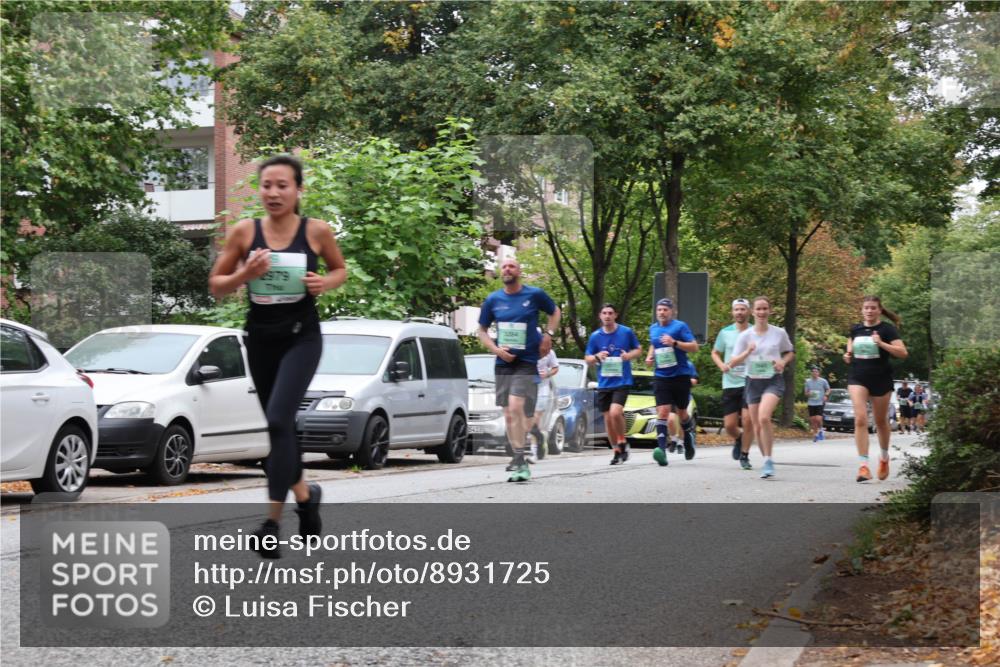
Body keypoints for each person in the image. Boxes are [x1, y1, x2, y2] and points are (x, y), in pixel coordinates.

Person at [208, 154, 347, 558]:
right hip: (261, 338)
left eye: (282, 185)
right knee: (279, 430)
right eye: (267, 185)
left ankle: (271, 523)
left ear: (298, 190)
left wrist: (325, 282)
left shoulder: (316, 231)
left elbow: (340, 270)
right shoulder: (244, 232)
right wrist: (244, 277)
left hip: (302, 338)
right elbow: (217, 285)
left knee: (277, 420)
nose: (273, 193)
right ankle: (306, 497)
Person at [477, 257, 561, 482]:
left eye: (511, 266)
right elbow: (482, 331)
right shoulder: (493, 300)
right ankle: (518, 456)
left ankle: (521, 457)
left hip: (527, 360)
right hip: (503, 362)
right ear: (500, 272)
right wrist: (497, 350)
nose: (507, 269)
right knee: (509, 414)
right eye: (504, 266)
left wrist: (548, 335)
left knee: (516, 406)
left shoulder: (533, 294)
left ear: (519, 271)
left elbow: (555, 312)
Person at [729, 296, 795, 480]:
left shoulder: (779, 333)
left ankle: (768, 460)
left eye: (765, 308)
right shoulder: (745, 336)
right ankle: (766, 459)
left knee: (764, 417)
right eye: (758, 309)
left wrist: (782, 361)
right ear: (753, 312)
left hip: (773, 380)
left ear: (770, 310)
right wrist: (747, 352)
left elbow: (790, 351)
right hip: (753, 381)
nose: (762, 312)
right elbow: (733, 362)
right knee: (757, 425)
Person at [843, 295, 908, 482]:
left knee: (880, 422)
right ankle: (863, 466)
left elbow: (903, 353)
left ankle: (884, 458)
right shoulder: (856, 328)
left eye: (873, 308)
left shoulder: (887, 330)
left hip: (881, 379)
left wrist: (881, 344)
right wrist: (848, 353)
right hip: (858, 377)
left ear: (879, 310)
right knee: (861, 419)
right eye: (866, 308)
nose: (869, 311)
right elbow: (851, 340)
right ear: (862, 310)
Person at [585, 304, 642, 465]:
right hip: (604, 382)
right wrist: (597, 357)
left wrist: (628, 356)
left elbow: (638, 350)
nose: (607, 316)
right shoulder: (595, 336)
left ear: (615, 315)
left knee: (615, 412)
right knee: (608, 419)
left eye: (610, 313)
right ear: (600, 316)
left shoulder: (626, 332)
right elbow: (587, 359)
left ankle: (623, 441)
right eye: (604, 313)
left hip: (622, 381)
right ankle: (616, 450)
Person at [644, 298, 699, 467]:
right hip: (661, 376)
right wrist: (650, 355)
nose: (661, 312)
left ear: (671, 311)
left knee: (682, 412)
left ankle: (688, 439)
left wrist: (674, 343)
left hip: (680, 375)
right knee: (663, 412)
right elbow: (654, 344)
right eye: (659, 309)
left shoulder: (680, 326)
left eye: (665, 310)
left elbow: (694, 347)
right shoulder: (653, 328)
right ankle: (661, 450)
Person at [711, 298, 755, 470]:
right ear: (732, 312)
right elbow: (715, 352)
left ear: (748, 312)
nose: (739, 312)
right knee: (730, 426)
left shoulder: (755, 331)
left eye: (742, 309)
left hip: (751, 381)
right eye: (736, 310)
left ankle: (745, 454)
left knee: (747, 420)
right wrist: (721, 364)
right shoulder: (725, 332)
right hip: (730, 382)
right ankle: (739, 438)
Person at [529, 342, 560, 461]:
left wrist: (547, 374)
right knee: (529, 420)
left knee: (535, 418)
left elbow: (555, 368)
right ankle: (540, 438)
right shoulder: (527, 352)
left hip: (543, 389)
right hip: (528, 388)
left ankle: (534, 453)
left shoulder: (549, 352)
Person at [805, 367, 831, 442]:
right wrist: (808, 394)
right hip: (811, 402)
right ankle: (815, 434)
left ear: (818, 373)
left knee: (818, 419)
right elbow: (806, 393)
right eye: (813, 372)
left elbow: (828, 389)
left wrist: (826, 395)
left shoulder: (823, 381)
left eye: (816, 372)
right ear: (811, 373)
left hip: (820, 402)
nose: (815, 373)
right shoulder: (807, 381)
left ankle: (821, 430)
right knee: (813, 420)